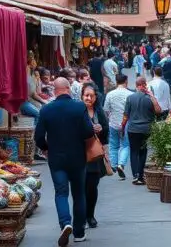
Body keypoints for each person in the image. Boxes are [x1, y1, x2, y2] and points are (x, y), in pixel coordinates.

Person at [34, 77, 95, 245]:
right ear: (68, 89)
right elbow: (89, 132)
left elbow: (38, 136)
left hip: (57, 158)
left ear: (55, 90)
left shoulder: (46, 110)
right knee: (79, 194)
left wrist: (46, 148)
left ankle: (65, 223)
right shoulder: (79, 107)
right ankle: (79, 232)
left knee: (61, 193)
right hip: (77, 157)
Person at [121, 76, 162, 185]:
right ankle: (141, 175)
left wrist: (122, 127)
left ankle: (135, 176)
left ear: (136, 85)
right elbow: (159, 111)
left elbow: (125, 116)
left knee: (134, 151)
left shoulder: (130, 98)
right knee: (143, 151)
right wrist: (152, 96)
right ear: (145, 85)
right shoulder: (150, 98)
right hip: (146, 129)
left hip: (133, 129)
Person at [80, 83, 109, 229]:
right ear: (82, 96)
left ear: (96, 97)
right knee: (80, 187)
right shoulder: (78, 111)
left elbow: (106, 132)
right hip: (79, 154)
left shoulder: (99, 112)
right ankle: (82, 216)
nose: (89, 98)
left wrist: (101, 129)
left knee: (92, 187)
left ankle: (90, 215)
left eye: (91, 95)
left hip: (95, 155)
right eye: (86, 95)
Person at [102, 74, 133, 180]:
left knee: (113, 144)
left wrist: (110, 118)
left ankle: (114, 165)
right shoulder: (130, 94)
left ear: (116, 81)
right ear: (126, 81)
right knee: (125, 145)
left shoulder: (110, 94)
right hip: (126, 124)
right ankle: (121, 164)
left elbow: (106, 109)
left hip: (113, 123)